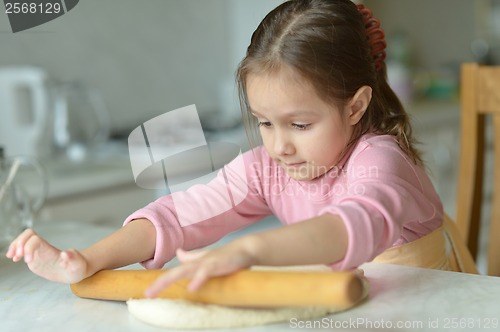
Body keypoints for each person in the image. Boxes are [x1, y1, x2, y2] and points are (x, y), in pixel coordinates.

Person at [5, 0, 477, 298]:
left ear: (355, 107)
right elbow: (179, 215)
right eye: (264, 123)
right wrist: (88, 259)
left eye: (300, 123)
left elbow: (354, 224)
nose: (279, 145)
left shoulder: (379, 160)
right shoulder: (266, 169)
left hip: (431, 305)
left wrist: (248, 250)